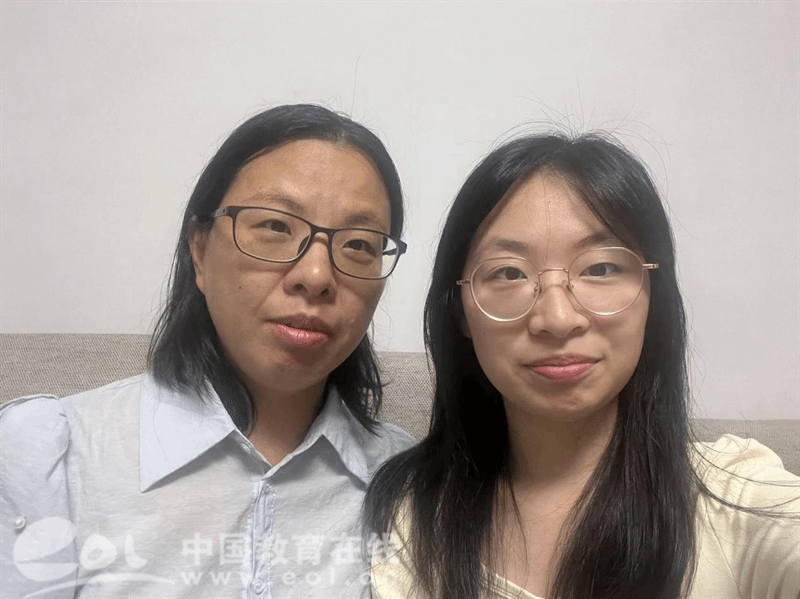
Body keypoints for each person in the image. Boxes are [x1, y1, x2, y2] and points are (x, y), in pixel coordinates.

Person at [0, 104, 414, 598]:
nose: (316, 276)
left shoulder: (408, 482)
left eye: (360, 245)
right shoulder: (54, 454)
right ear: (200, 250)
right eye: (277, 227)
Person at [365, 132, 800, 599]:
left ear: (653, 296)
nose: (557, 319)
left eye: (600, 268)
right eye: (509, 272)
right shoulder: (409, 512)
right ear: (460, 312)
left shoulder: (737, 497)